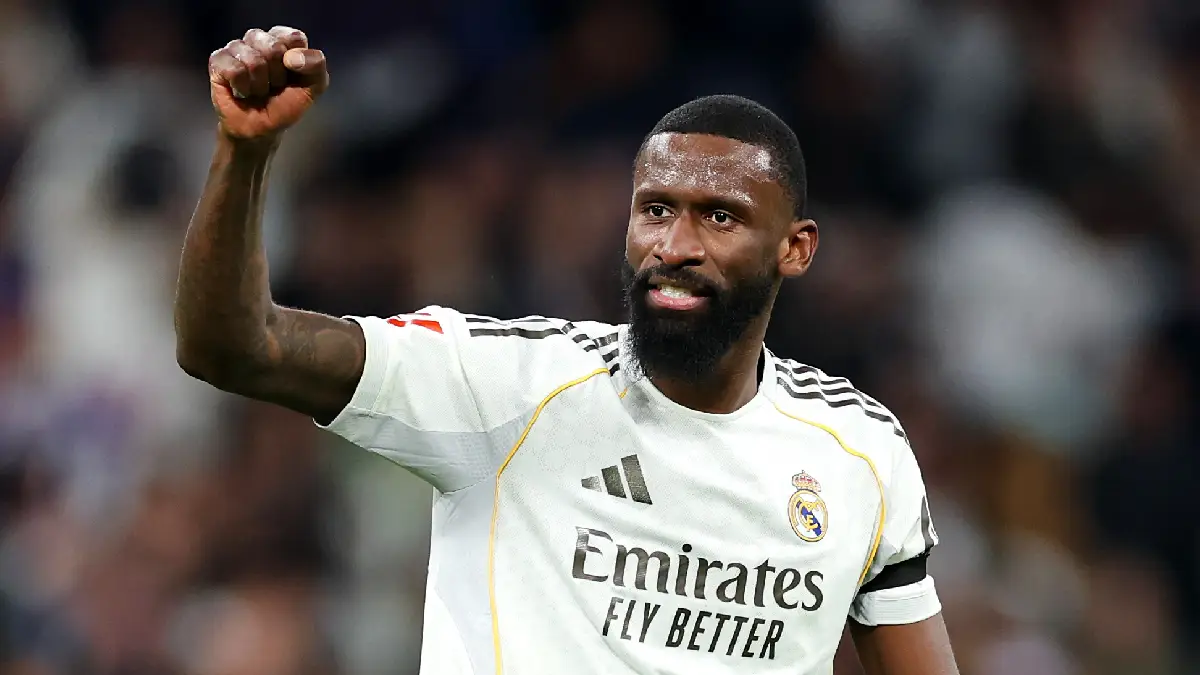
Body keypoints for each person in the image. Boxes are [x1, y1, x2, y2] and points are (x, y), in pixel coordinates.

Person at [176, 26, 960, 675]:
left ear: (796, 247)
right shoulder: (508, 386)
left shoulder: (860, 450)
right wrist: (244, 153)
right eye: (656, 209)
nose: (675, 245)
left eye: (720, 217)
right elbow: (234, 347)